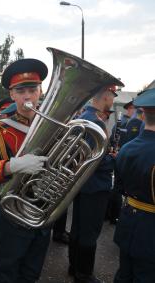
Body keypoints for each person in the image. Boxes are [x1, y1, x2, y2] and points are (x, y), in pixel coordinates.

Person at [0, 58, 51, 282]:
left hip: (44, 208)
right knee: (8, 271)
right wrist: (13, 165)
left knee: (32, 271)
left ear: (41, 92)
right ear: (12, 95)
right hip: (13, 210)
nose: (27, 96)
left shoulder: (54, 124)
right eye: (21, 91)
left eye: (32, 89)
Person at [68, 84, 119, 283]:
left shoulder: (84, 117)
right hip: (95, 185)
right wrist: (115, 159)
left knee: (79, 228)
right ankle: (84, 273)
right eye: (112, 97)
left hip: (82, 183)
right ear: (106, 96)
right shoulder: (93, 121)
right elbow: (93, 159)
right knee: (90, 230)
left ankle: (75, 267)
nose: (113, 101)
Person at [113, 88, 155, 283]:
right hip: (150, 233)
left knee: (124, 275)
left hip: (128, 222)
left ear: (143, 114)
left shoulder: (127, 148)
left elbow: (120, 187)